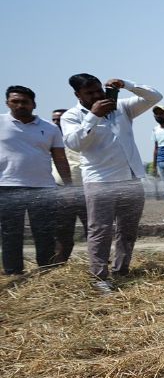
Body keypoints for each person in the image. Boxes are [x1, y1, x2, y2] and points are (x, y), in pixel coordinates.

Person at [60, 75, 163, 292]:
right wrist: (93, 116)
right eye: (90, 93)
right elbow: (75, 144)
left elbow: (155, 96)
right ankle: (99, 277)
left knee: (128, 230)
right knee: (100, 230)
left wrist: (127, 85)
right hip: (100, 182)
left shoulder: (122, 107)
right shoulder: (71, 116)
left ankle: (121, 270)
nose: (98, 96)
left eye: (99, 90)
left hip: (131, 179)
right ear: (78, 95)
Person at [1, 87, 73, 274]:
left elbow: (60, 158)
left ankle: (46, 270)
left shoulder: (49, 128)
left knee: (44, 232)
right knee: (11, 233)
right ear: (7, 103)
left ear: (33, 104)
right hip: (7, 187)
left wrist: (68, 186)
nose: (20, 105)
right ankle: (13, 272)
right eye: (15, 101)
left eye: (24, 102)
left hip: (42, 188)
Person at [49, 109, 87, 263]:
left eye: (60, 119)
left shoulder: (79, 138)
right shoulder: (49, 139)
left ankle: (99, 263)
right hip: (60, 190)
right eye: (54, 120)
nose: (57, 122)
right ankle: (59, 262)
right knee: (63, 231)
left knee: (94, 229)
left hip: (86, 189)